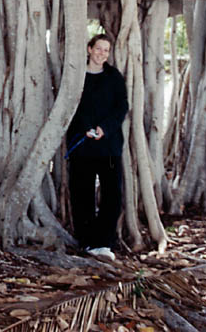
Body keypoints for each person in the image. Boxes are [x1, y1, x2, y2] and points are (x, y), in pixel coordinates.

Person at [67, 33, 128, 260]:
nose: (102, 53)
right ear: (89, 48)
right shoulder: (76, 77)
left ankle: (105, 242)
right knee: (82, 193)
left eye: (106, 50)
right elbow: (70, 105)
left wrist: (105, 128)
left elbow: (121, 107)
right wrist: (84, 127)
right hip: (82, 145)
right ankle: (87, 241)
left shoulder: (114, 77)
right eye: (99, 48)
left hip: (109, 146)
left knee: (112, 194)